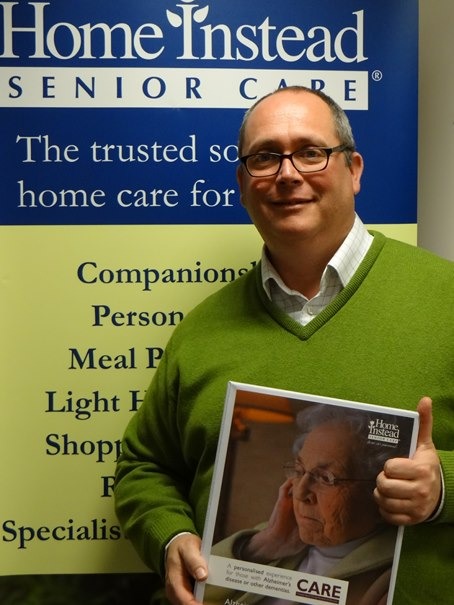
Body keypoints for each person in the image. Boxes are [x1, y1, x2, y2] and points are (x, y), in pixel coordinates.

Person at [114, 85, 454, 605]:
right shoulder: (202, 331)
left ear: (354, 169)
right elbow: (144, 467)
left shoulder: (446, 299)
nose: (287, 174)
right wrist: (170, 537)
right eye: (265, 157)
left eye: (311, 152)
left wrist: (443, 487)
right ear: (243, 183)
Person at [204, 404, 411, 605]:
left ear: (379, 493)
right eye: (300, 470)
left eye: (325, 478)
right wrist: (264, 545)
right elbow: (197, 589)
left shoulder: (394, 579)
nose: (300, 492)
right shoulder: (278, 532)